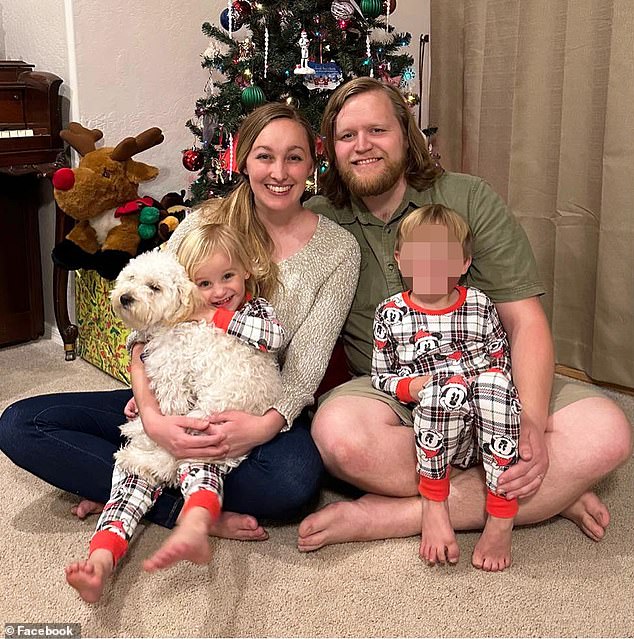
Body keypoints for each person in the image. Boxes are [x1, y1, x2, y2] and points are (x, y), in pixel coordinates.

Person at [297, 77, 632, 553]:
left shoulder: (469, 197)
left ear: (406, 134)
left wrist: (532, 421)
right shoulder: (319, 216)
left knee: (609, 433)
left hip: (489, 380)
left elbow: (524, 321)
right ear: (331, 147)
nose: (362, 146)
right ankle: (542, 496)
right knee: (339, 440)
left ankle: (396, 515)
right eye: (347, 136)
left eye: (377, 130)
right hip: (392, 390)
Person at [0, 103, 360, 544]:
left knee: (291, 482)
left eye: (294, 156)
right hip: (171, 392)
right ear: (242, 159)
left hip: (255, 405)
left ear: (312, 162)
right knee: (20, 424)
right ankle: (177, 508)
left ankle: (129, 486)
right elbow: (143, 325)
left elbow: (304, 369)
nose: (279, 172)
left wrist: (262, 426)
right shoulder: (203, 223)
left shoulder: (338, 249)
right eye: (264, 155)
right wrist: (152, 416)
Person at [66, 222, 287, 602]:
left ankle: (195, 522)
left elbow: (272, 338)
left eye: (228, 277)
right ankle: (101, 559)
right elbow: (151, 352)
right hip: (176, 415)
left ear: (246, 271)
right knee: (133, 474)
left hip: (233, 416)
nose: (218, 292)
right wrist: (147, 403)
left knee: (200, 456)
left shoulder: (253, 311)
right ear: (189, 290)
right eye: (205, 285)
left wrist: (212, 316)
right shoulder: (171, 325)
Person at [372, 204, 521, 571]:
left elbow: (501, 357)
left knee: (495, 384)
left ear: (465, 262)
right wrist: (414, 386)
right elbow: (381, 375)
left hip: (490, 426)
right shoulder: (391, 312)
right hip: (437, 434)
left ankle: (501, 516)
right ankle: (434, 504)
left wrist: (493, 386)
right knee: (442, 387)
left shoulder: (479, 304)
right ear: (400, 260)